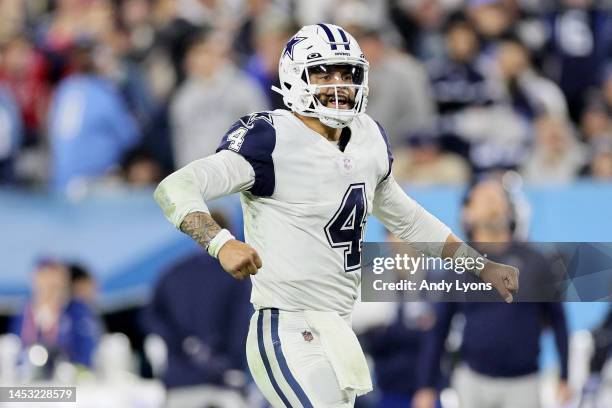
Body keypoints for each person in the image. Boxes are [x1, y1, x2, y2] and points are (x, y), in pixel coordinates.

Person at [154, 23, 519, 407]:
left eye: (346, 73)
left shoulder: (368, 138)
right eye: (323, 72)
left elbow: (407, 218)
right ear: (295, 77)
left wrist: (478, 265)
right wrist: (220, 242)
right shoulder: (270, 138)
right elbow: (175, 188)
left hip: (339, 331)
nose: (338, 84)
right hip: (287, 327)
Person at [413, 179, 571, 408]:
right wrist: (426, 386)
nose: (492, 204)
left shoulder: (535, 261)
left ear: (510, 210)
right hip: (472, 380)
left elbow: (558, 320)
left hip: (523, 382)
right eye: (484, 199)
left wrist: (565, 376)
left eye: (497, 198)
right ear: (468, 213)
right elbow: (439, 329)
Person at [142, 211, 252, 408]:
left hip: (180, 382)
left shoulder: (172, 273)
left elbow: (150, 317)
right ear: (229, 234)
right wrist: (233, 365)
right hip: (223, 383)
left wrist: (181, 344)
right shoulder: (237, 273)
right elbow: (242, 323)